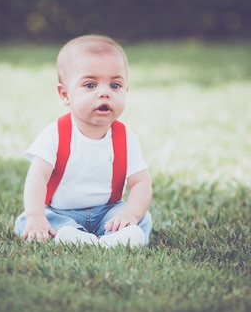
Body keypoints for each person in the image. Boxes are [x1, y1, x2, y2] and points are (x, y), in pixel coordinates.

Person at [14, 34, 153, 247]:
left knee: (143, 218)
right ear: (65, 94)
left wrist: (130, 215)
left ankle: (115, 238)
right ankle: (73, 236)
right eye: (90, 85)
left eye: (115, 85)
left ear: (126, 90)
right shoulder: (55, 134)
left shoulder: (126, 139)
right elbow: (37, 176)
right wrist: (36, 215)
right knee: (27, 221)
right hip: (60, 212)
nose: (104, 93)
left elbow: (141, 182)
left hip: (107, 212)